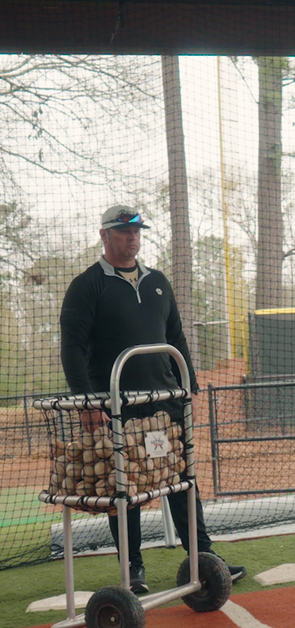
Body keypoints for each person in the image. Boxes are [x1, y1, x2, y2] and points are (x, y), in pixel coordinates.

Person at [60, 205, 247, 594]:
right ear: (104, 235)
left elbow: (176, 337)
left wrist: (187, 385)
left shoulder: (159, 281)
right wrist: (85, 402)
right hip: (118, 410)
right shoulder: (87, 285)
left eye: (137, 230)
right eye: (124, 231)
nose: (133, 237)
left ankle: (204, 558)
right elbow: (73, 348)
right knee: (123, 490)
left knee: (181, 482)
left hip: (165, 407)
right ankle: (132, 569)